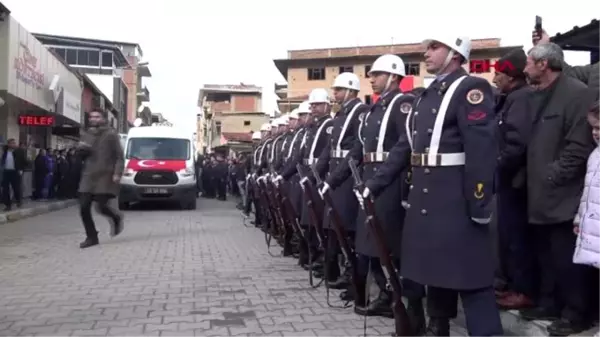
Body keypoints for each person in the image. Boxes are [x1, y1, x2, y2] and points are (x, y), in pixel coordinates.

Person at [361, 36, 503, 337]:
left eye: (434, 48)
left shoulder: (470, 89)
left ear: (454, 54)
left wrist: (479, 202)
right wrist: (374, 184)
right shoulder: (426, 96)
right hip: (426, 199)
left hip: (456, 200)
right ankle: (437, 330)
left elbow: (481, 150)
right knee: (434, 274)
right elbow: (404, 148)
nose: (426, 53)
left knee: (471, 278)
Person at [519, 42, 595, 335]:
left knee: (566, 258)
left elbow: (578, 146)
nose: (525, 68)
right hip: (538, 193)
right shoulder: (538, 94)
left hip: (562, 193)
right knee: (546, 254)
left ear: (543, 65)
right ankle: (550, 303)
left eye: (529, 62)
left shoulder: (576, 93)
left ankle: (577, 314)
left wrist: (553, 175)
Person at [493, 48, 537, 309]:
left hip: (516, 181)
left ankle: (524, 290)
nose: (495, 77)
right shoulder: (508, 97)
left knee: (517, 237)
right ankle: (511, 284)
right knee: (508, 237)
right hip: (508, 179)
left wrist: (498, 166)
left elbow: (516, 142)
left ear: (511, 76)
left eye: (499, 73)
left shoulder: (520, 99)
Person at [77, 109, 125, 249]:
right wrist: (80, 150)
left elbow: (119, 157)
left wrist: (117, 173)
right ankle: (91, 237)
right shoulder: (87, 134)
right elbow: (80, 153)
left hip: (105, 176)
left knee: (100, 206)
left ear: (103, 119)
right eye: (92, 116)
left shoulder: (111, 134)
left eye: (97, 117)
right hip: (88, 175)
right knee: (84, 207)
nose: (94, 119)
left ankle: (116, 218)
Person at [573, 100, 600, 270]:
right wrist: (580, 220)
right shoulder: (595, 155)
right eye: (594, 128)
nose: (596, 133)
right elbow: (589, 193)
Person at [1, 138, 27, 211]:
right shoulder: (5, 151)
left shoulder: (19, 151)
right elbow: (2, 161)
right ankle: (8, 205)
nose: (13, 144)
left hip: (15, 172)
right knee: (5, 189)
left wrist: (21, 169)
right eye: (11, 143)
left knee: (16, 188)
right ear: (8, 144)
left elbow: (25, 162)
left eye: (14, 143)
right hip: (6, 172)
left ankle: (19, 200)